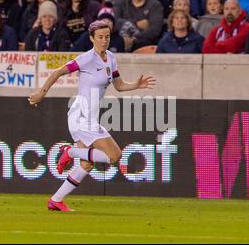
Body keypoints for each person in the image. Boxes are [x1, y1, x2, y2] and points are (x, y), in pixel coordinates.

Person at [27, 20, 156, 212]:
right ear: (91, 38)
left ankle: (56, 200)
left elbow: (119, 85)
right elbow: (58, 72)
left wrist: (136, 85)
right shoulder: (86, 59)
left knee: (86, 164)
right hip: (81, 115)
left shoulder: (111, 57)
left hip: (89, 117)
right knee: (114, 155)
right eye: (100, 37)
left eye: (107, 37)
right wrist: (41, 93)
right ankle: (69, 151)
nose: (104, 41)